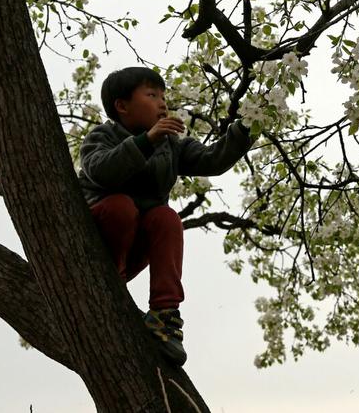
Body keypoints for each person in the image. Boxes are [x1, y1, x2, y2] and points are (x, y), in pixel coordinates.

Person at [78, 66, 252, 366]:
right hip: (101, 242)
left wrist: (245, 128)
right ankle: (110, 282)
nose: (163, 103)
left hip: (136, 248)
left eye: (163, 96)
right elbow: (101, 170)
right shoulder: (102, 136)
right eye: (151, 95)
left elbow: (211, 159)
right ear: (122, 106)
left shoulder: (170, 145)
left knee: (166, 217)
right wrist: (145, 142)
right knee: (121, 206)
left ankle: (164, 316)